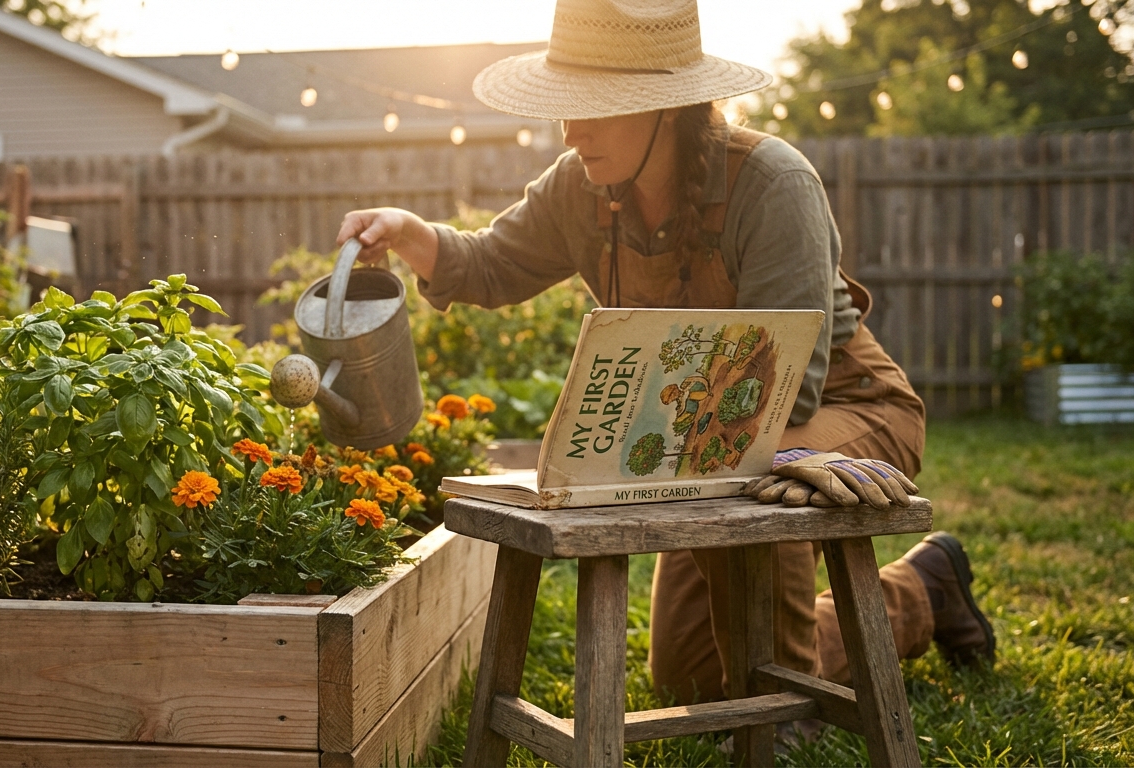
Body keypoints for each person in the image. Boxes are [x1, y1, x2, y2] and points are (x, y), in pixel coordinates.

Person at [337, 0, 995, 712]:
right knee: (689, 678)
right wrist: (406, 232)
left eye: (593, 105)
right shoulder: (579, 186)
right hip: (708, 445)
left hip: (843, 413)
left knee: (762, 479)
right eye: (565, 105)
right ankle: (924, 590)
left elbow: (784, 397)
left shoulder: (773, 183)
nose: (571, 129)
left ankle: (783, 716)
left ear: (667, 108)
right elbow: (492, 263)